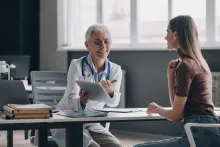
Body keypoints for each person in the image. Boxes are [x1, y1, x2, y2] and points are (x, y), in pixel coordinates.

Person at [134, 15, 220, 147]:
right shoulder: (198, 63)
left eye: (167, 31)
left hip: (198, 135)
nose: (165, 37)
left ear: (175, 34)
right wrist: (171, 76)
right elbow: (177, 110)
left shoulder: (186, 65)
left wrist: (156, 109)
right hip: (206, 132)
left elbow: (175, 116)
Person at [51, 24, 123, 147]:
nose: (103, 47)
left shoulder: (116, 70)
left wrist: (111, 92)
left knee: (116, 146)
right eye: (97, 42)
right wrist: (82, 101)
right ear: (87, 45)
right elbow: (71, 99)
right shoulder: (76, 65)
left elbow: (113, 103)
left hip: (91, 123)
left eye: (106, 42)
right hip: (67, 120)